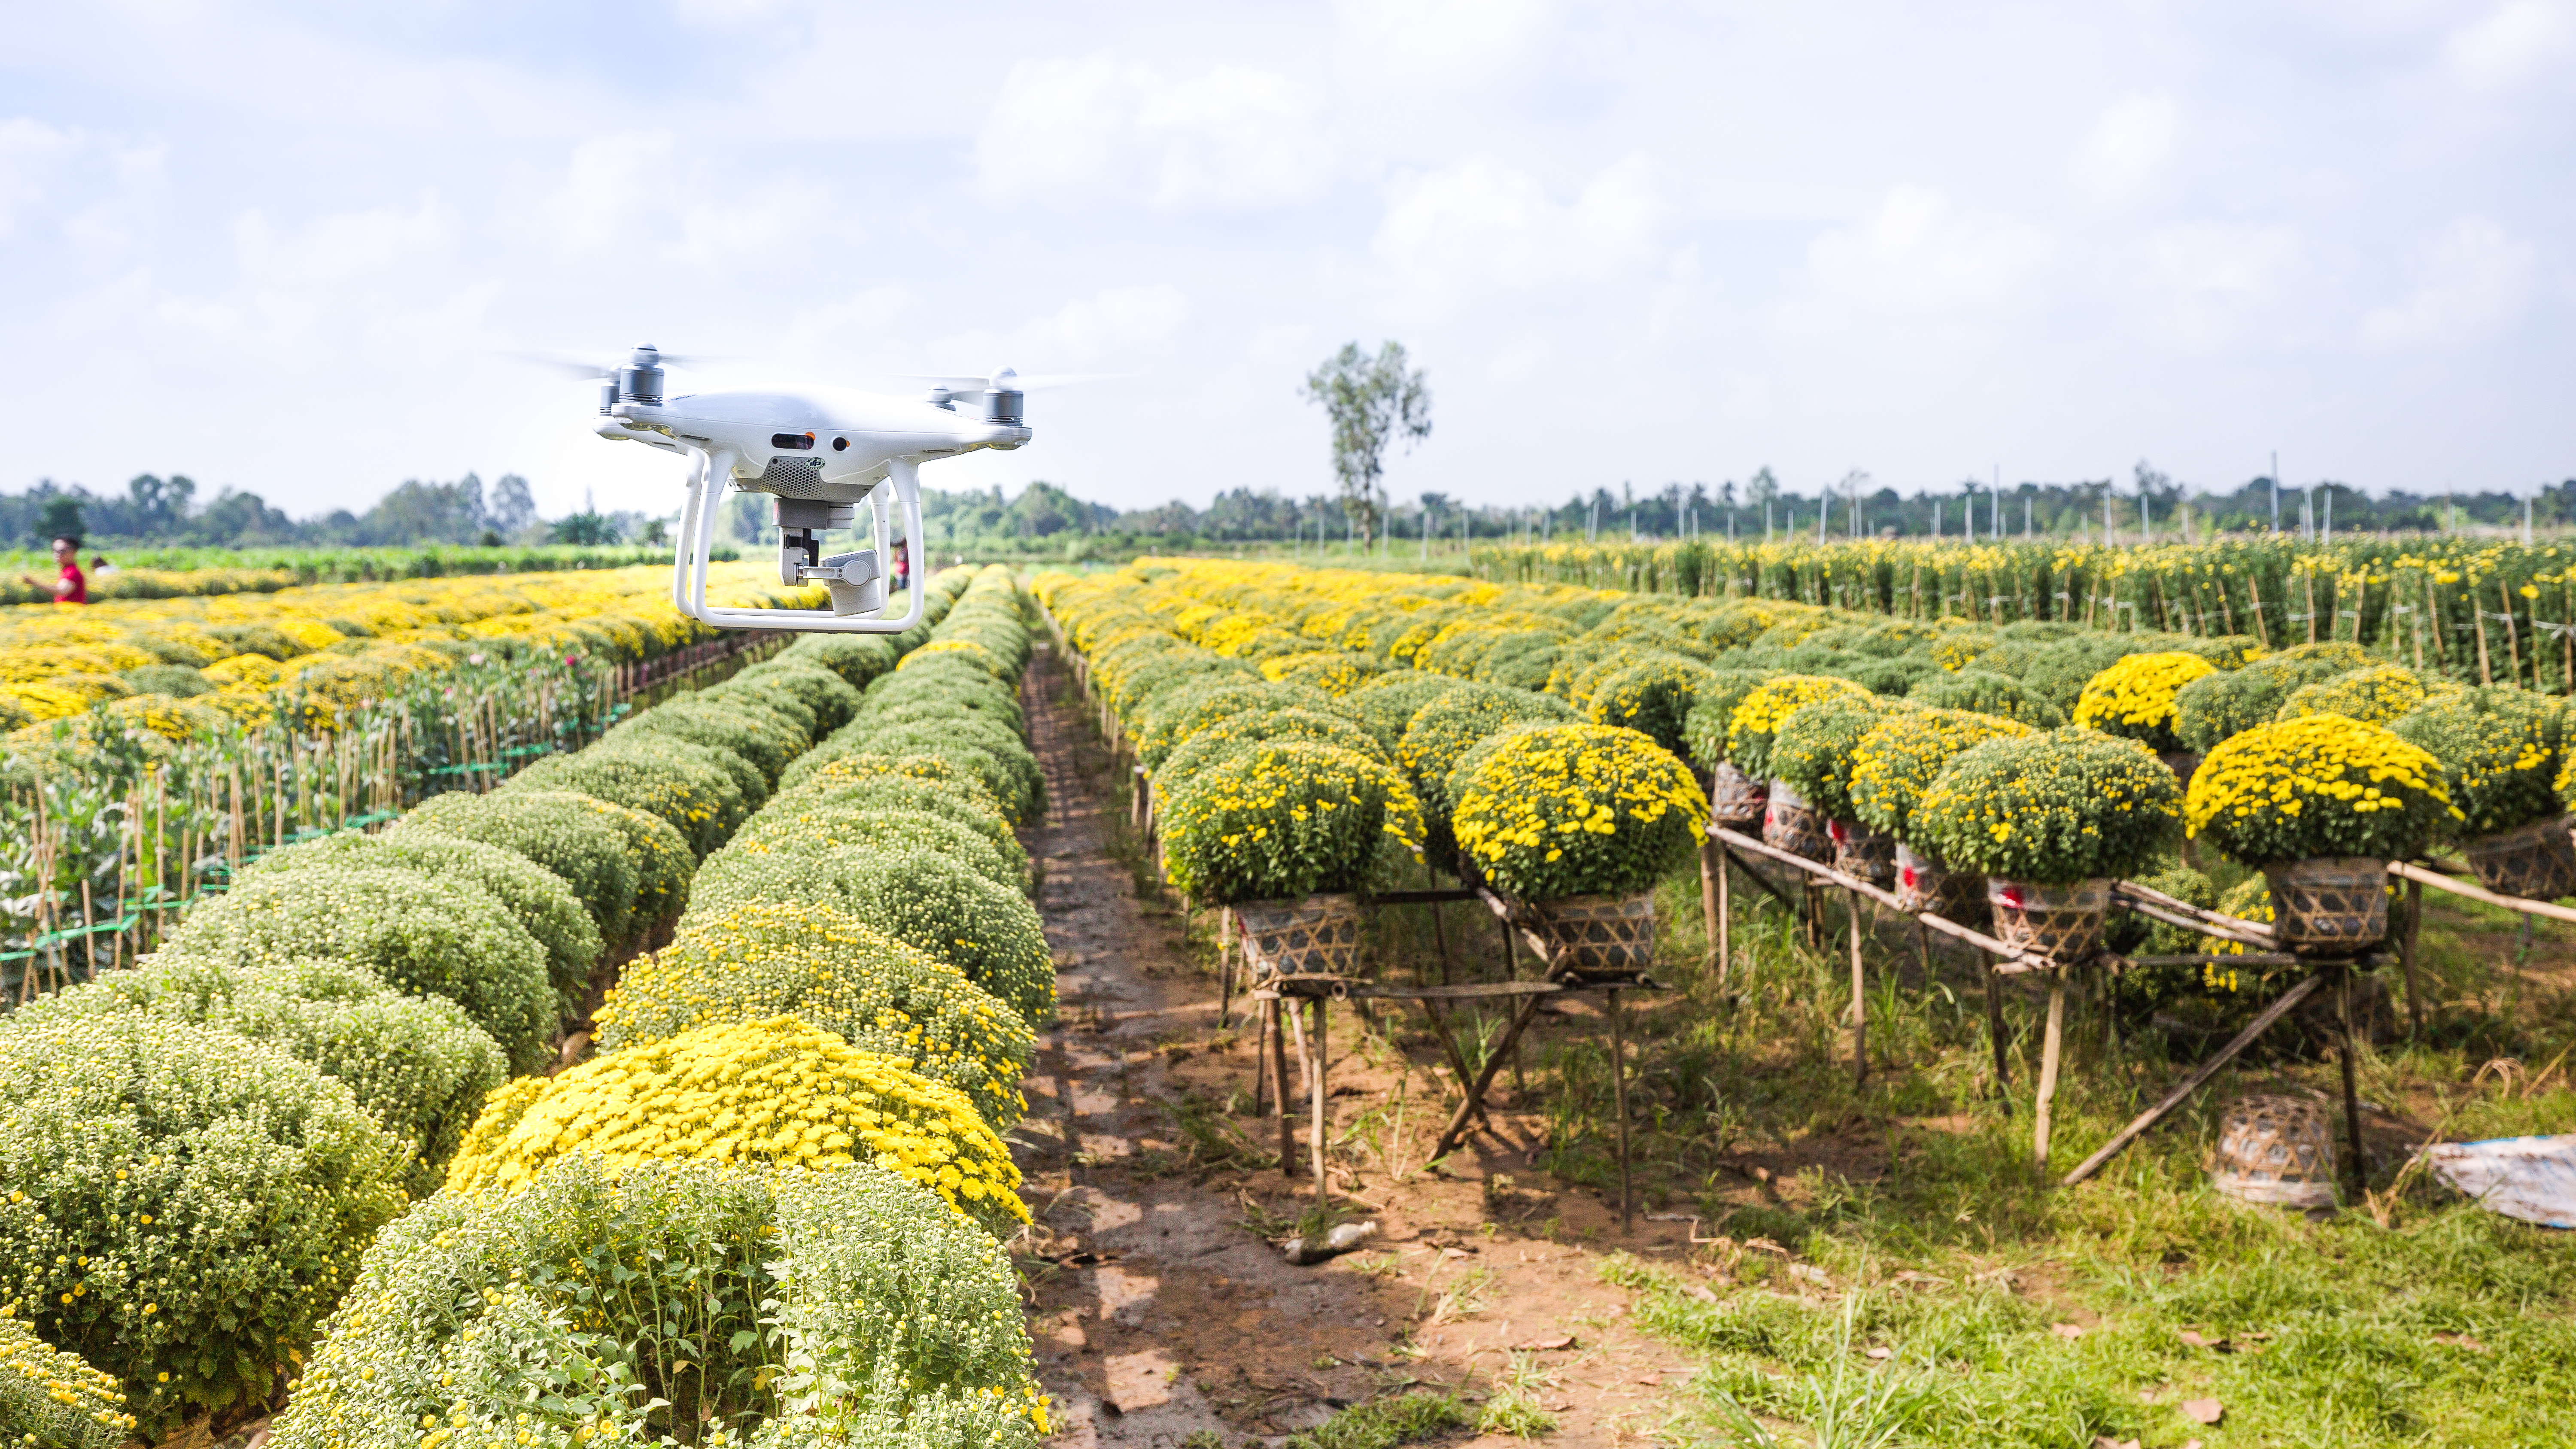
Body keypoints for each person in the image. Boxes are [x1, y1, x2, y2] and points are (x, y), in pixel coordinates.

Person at [18, 535, 87, 603]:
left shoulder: (73, 572)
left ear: (73, 552)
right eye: (55, 550)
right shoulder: (66, 570)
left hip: (71, 613)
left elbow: (62, 591)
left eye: (62, 551)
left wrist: (34, 583)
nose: (57, 554)